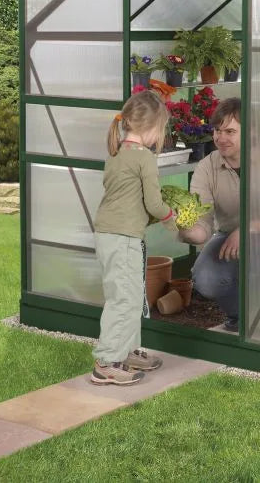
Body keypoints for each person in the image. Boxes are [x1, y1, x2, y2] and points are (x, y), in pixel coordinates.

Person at [90, 90, 177, 385]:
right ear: (152, 128)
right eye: (161, 129)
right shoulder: (144, 158)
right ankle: (107, 362)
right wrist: (172, 217)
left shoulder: (116, 153)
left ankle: (125, 352)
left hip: (108, 234)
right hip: (123, 237)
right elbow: (154, 204)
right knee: (124, 300)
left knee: (128, 296)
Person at [178, 97, 242, 332]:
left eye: (230, 131)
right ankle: (241, 317)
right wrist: (187, 228)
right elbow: (202, 221)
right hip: (228, 236)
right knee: (205, 277)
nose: (221, 138)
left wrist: (247, 229)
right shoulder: (207, 167)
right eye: (217, 130)